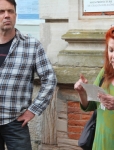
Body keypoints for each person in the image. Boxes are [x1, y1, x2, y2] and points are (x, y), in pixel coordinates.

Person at [0, 0, 57, 149]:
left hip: (15, 122)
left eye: (10, 11)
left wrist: (33, 110)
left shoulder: (31, 45)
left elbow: (50, 80)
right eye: (1, 12)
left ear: (15, 15)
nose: (7, 16)